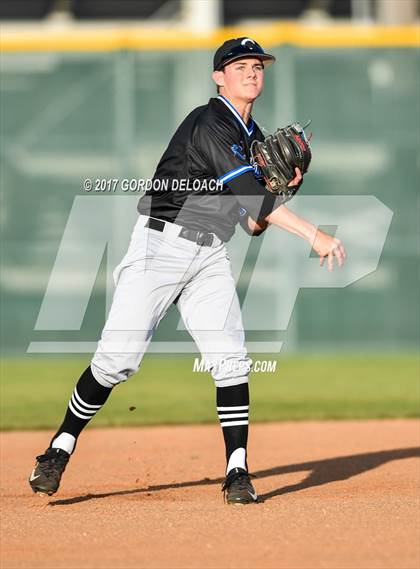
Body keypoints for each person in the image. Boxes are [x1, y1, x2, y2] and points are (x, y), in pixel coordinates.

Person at [29, 37, 346, 505]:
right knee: (116, 361)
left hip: (211, 256)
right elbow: (253, 199)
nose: (252, 72)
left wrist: (287, 187)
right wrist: (312, 233)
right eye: (240, 65)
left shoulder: (252, 137)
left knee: (232, 360)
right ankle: (59, 448)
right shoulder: (210, 122)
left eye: (258, 66)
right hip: (161, 245)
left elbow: (253, 223)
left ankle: (237, 473)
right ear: (219, 76)